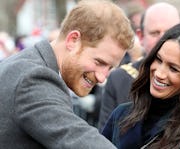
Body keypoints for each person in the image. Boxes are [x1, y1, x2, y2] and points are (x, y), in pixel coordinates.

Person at [0, 0, 134, 148]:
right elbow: (77, 137)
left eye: (110, 68)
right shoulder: (32, 78)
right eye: (99, 62)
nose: (102, 77)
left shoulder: (26, 64)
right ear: (73, 40)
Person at [98, 2, 180, 130]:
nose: (164, 39)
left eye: (173, 33)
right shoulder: (120, 78)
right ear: (141, 36)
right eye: (155, 33)